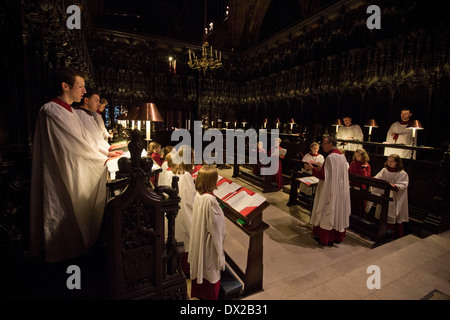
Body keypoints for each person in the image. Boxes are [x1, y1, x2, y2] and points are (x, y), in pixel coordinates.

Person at [29, 67, 118, 263]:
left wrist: (106, 152)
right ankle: (63, 258)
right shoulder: (51, 110)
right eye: (81, 86)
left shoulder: (71, 111)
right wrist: (102, 158)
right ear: (65, 86)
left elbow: (86, 140)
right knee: (62, 208)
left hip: (73, 166)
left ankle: (78, 251)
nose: (84, 91)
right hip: (60, 172)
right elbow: (73, 146)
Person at [305, 136, 351, 246]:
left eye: (324, 144)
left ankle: (325, 237)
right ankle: (336, 236)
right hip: (339, 190)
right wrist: (322, 167)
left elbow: (323, 176)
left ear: (330, 144)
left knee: (327, 210)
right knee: (336, 211)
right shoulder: (341, 156)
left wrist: (312, 169)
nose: (322, 146)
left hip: (329, 189)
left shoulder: (330, 157)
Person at [189, 165, 226, 300]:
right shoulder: (210, 200)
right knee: (210, 270)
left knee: (202, 268)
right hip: (209, 244)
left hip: (200, 238)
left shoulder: (199, 195)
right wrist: (220, 253)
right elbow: (216, 229)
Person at [367, 154, 409, 238]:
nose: (389, 163)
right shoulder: (384, 170)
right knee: (381, 214)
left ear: (397, 162)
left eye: (391, 161)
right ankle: (379, 233)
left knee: (391, 216)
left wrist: (394, 186)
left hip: (394, 198)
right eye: (388, 161)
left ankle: (390, 235)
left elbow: (404, 184)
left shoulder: (402, 173)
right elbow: (377, 179)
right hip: (384, 195)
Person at [171, 146, 197, 277]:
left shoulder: (175, 172)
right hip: (184, 219)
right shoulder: (185, 176)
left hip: (177, 218)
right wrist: (193, 227)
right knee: (187, 248)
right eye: (192, 157)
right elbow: (187, 203)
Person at [74, 90, 112, 156]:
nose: (99, 104)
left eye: (99, 101)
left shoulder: (87, 113)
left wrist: (109, 148)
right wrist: (107, 152)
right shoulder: (80, 114)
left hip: (101, 150)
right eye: (96, 101)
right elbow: (91, 141)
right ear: (86, 100)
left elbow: (97, 137)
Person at [348, 148, 371, 217]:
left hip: (360, 186)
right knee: (351, 203)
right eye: (356, 156)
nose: (357, 157)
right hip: (352, 185)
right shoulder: (353, 163)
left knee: (359, 204)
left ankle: (359, 218)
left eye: (358, 156)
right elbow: (349, 173)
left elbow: (367, 177)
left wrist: (363, 169)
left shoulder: (366, 165)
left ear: (363, 156)